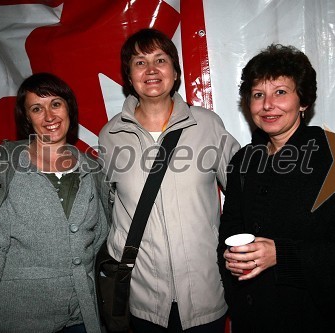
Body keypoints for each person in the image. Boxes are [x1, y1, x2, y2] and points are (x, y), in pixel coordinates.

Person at [218, 44, 335, 332]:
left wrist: (283, 255)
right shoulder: (244, 160)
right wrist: (231, 262)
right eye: (258, 95)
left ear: (303, 101)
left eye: (281, 92)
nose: (267, 105)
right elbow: (229, 230)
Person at [98, 28, 240, 332]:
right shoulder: (110, 136)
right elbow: (107, 207)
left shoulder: (207, 125)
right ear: (128, 76)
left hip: (204, 292)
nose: (151, 70)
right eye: (139, 62)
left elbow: (245, 191)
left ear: (175, 72)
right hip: (142, 297)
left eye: (160, 60)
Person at [0, 72, 109, 333]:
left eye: (56, 104)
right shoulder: (6, 170)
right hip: (20, 315)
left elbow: (100, 234)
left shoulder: (92, 170)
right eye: (37, 108)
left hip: (82, 313)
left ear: (69, 108)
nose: (49, 116)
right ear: (26, 118)